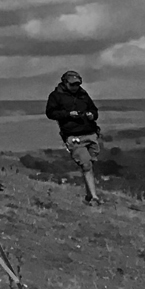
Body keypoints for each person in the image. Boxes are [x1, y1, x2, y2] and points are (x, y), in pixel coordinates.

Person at [45, 70, 103, 206]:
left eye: (77, 84)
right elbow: (50, 113)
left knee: (90, 163)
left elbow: (95, 111)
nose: (75, 87)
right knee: (86, 164)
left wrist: (91, 115)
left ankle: (89, 194)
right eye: (72, 84)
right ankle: (95, 198)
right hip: (73, 136)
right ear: (65, 83)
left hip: (90, 134)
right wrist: (68, 114)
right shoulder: (56, 96)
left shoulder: (83, 94)